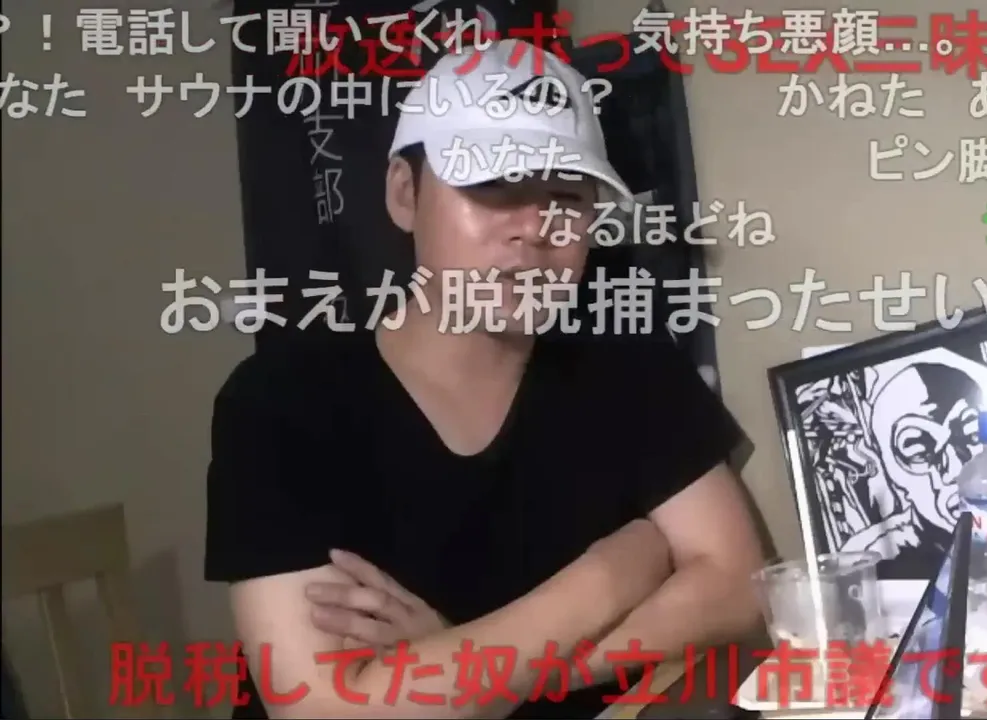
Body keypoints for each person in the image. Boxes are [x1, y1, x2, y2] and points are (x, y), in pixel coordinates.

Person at [204, 38, 766, 720]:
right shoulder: (282, 402)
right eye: (493, 186)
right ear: (405, 193)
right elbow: (322, 706)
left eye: (566, 195)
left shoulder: (629, 367)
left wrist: (487, 675)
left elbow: (739, 584)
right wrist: (609, 576)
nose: (533, 228)